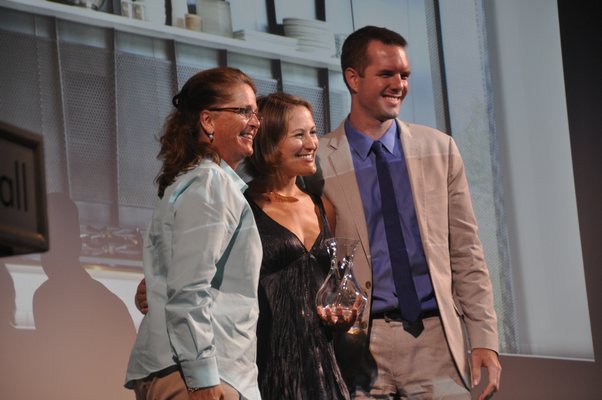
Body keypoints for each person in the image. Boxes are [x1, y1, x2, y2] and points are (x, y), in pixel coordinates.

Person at [305, 26, 502, 399]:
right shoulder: (319, 162)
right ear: (352, 77)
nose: (399, 84)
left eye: (404, 75)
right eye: (386, 74)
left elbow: (466, 252)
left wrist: (485, 338)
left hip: (436, 343)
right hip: (357, 347)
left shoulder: (439, 149)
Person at [125, 67, 263, 400]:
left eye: (255, 112)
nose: (255, 121)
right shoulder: (210, 183)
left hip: (195, 372)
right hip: (199, 376)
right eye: (244, 110)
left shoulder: (199, 181)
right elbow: (188, 290)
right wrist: (202, 378)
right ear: (208, 121)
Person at [244, 92, 350, 399]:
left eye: (313, 132)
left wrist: (342, 312)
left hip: (323, 367)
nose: (312, 143)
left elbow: (331, 285)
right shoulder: (242, 206)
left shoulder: (322, 205)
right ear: (269, 142)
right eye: (299, 135)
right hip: (267, 369)